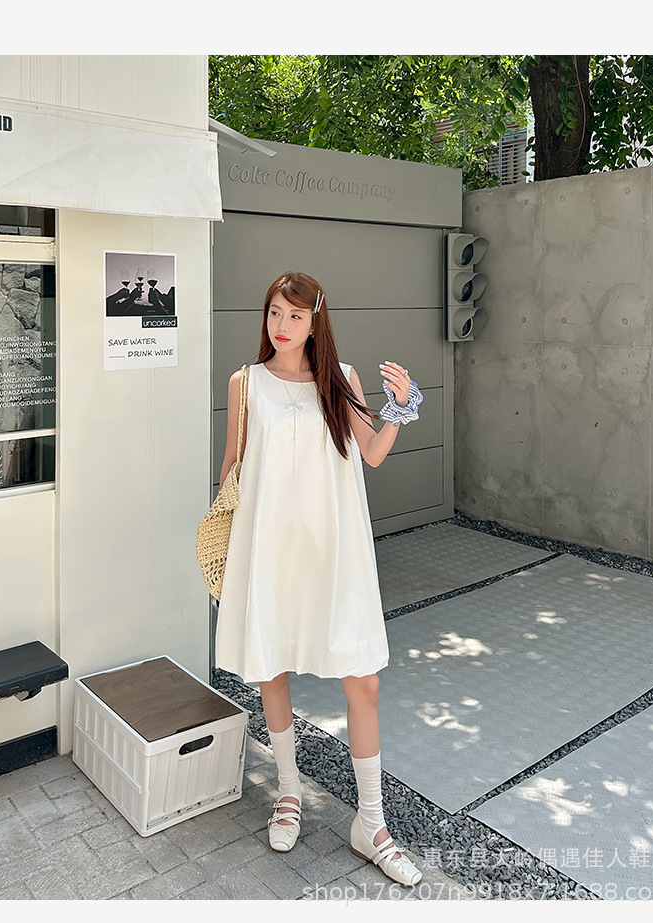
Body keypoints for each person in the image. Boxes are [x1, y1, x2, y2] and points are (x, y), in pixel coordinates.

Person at [215, 272, 424, 886]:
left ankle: (371, 823)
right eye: (274, 313)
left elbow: (373, 452)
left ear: (315, 322)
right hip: (270, 551)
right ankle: (288, 792)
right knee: (272, 668)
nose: (282, 325)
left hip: (335, 553)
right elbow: (231, 468)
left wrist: (400, 407)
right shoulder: (245, 384)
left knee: (364, 682)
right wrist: (229, 548)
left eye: (295, 315)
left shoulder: (341, 378)